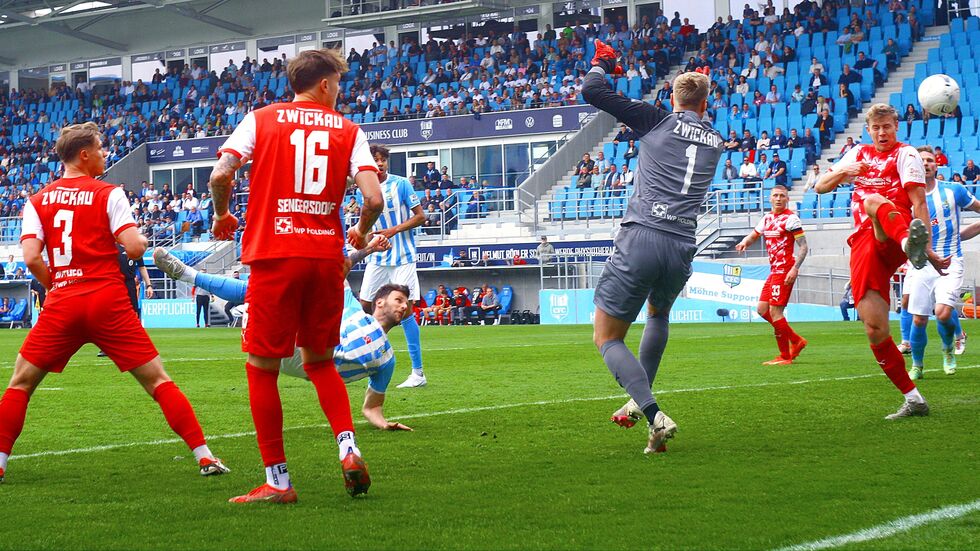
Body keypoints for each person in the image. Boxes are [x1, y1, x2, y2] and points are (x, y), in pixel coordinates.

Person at [0, 122, 229, 486]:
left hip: (63, 301)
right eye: (101, 148)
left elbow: (30, 257)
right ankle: (204, 455)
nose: (106, 154)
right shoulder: (109, 193)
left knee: (20, 383)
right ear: (85, 154)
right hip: (107, 300)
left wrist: (56, 284)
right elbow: (136, 248)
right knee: (157, 381)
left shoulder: (37, 200)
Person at [208, 49, 384, 503]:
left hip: (276, 254)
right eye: (338, 83)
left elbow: (221, 173)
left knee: (262, 367)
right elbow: (373, 199)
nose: (339, 91)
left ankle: (279, 482)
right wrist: (360, 234)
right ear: (325, 84)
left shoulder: (261, 118)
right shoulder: (349, 131)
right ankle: (348, 447)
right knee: (321, 362)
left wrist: (224, 213)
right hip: (325, 258)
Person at [585, 41, 724, 454]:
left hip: (643, 234)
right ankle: (643, 414)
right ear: (705, 102)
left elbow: (592, 92)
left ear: (672, 98)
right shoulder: (716, 140)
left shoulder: (656, 119)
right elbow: (694, 123)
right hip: (683, 243)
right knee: (658, 314)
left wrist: (601, 63)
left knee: (606, 337)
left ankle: (652, 413)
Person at [153, 237, 414, 431]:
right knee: (269, 289)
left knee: (274, 291)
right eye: (399, 299)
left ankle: (247, 305)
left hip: (307, 363)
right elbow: (339, 265)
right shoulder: (352, 307)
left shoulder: (388, 359)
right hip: (302, 344)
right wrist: (368, 249)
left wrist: (384, 424)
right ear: (379, 302)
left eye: (406, 303)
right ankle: (189, 275)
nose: (404, 306)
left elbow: (371, 407)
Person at [814, 104, 948, 420]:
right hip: (866, 241)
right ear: (869, 130)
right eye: (877, 128)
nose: (882, 133)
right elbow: (820, 186)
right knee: (874, 327)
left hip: (898, 228)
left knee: (874, 201)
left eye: (887, 126)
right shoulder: (857, 154)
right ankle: (914, 399)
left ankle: (907, 243)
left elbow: (918, 202)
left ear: (896, 126)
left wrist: (924, 248)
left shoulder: (906, 155)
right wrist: (845, 172)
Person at [903, 146, 980, 379]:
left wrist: (963, 234)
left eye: (930, 160)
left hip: (950, 261)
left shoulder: (954, 190)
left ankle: (948, 351)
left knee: (944, 313)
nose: (925, 164)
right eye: (921, 160)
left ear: (937, 165)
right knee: (918, 317)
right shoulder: (905, 197)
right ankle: (917, 365)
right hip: (921, 264)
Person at [357, 145, 428, 389]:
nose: (380, 163)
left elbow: (421, 216)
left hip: (403, 257)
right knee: (365, 306)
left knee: (405, 310)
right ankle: (366, 361)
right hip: (377, 257)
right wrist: (362, 240)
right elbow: (364, 224)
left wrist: (393, 231)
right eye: (375, 159)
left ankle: (418, 373)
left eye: (383, 160)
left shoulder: (401, 185)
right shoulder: (363, 190)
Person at [735, 185, 808, 364]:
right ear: (770, 198)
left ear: (787, 199)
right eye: (775, 195)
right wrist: (744, 242)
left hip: (785, 270)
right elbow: (754, 235)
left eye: (782, 196)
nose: (778, 198)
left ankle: (785, 356)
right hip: (774, 270)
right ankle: (796, 340)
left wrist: (795, 268)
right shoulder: (767, 218)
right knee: (762, 309)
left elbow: (804, 247)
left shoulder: (791, 219)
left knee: (776, 312)